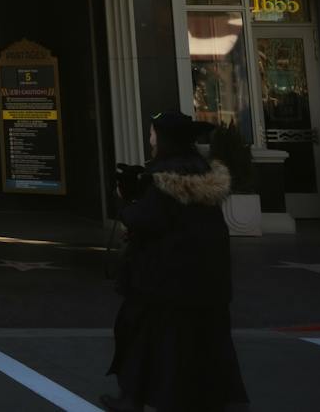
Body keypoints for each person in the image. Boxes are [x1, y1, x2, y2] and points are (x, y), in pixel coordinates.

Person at [104, 110, 248, 412]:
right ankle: (220, 401)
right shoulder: (200, 169)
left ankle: (135, 399)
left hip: (165, 280)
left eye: (153, 133)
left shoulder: (165, 177)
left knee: (145, 337)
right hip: (208, 280)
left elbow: (145, 220)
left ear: (164, 137)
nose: (150, 139)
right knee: (208, 342)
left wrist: (125, 200)